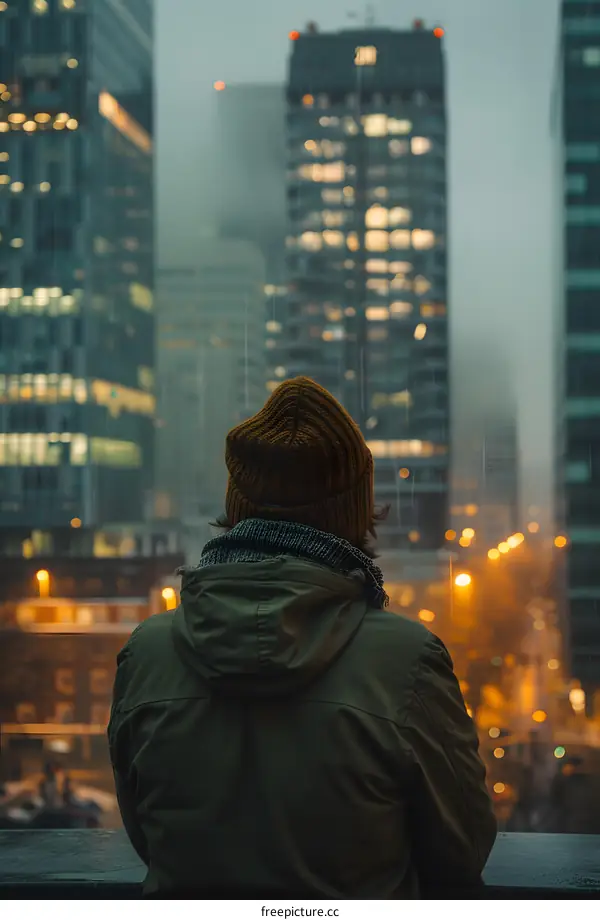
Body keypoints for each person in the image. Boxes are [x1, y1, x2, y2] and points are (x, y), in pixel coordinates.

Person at [109, 376, 496, 898]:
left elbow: (147, 836)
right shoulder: (407, 664)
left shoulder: (146, 654)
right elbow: (460, 853)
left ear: (237, 505)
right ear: (355, 511)